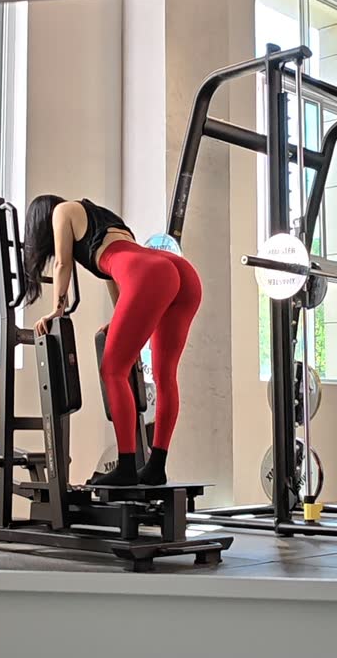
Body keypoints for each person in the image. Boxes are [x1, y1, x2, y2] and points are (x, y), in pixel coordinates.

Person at [23, 194, 203, 487]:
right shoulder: (102, 215)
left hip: (151, 274)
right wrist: (124, 317)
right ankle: (156, 466)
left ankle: (127, 466)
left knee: (112, 371)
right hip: (180, 271)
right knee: (165, 375)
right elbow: (116, 274)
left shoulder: (62, 212)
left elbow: (62, 264)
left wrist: (57, 310)